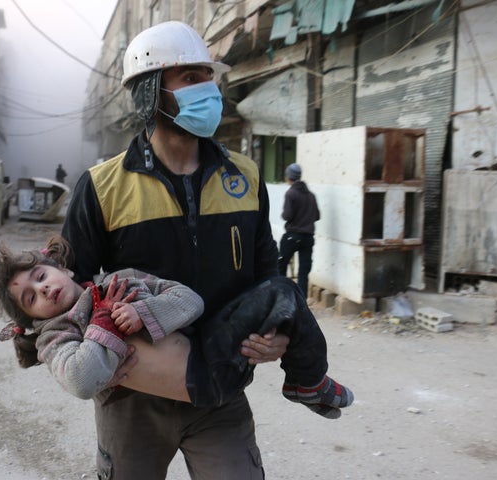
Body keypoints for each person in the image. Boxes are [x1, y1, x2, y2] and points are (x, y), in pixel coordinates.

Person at [61, 20, 311, 479]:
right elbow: (68, 287)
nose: (208, 90)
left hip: (221, 388)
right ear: (152, 92)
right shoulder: (101, 187)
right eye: (191, 79)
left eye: (208, 77)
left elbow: (267, 276)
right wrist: (87, 356)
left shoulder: (246, 177)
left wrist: (279, 334)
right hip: (133, 394)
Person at [0, 236, 353, 416]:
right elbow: (79, 379)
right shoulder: (55, 336)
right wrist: (104, 322)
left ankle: (307, 381)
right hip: (191, 388)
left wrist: (144, 314)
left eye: (40, 275)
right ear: (32, 320)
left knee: (282, 290)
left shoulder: (119, 281)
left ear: (61, 267)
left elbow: (191, 302)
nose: (42, 288)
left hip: (218, 355)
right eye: (31, 298)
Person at [277, 163, 321, 300]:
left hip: (292, 236)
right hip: (308, 238)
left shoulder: (291, 193)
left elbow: (287, 216)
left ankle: (283, 298)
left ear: (289, 177)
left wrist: (285, 215)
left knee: (280, 266)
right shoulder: (311, 195)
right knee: (303, 272)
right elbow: (317, 216)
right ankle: (302, 301)